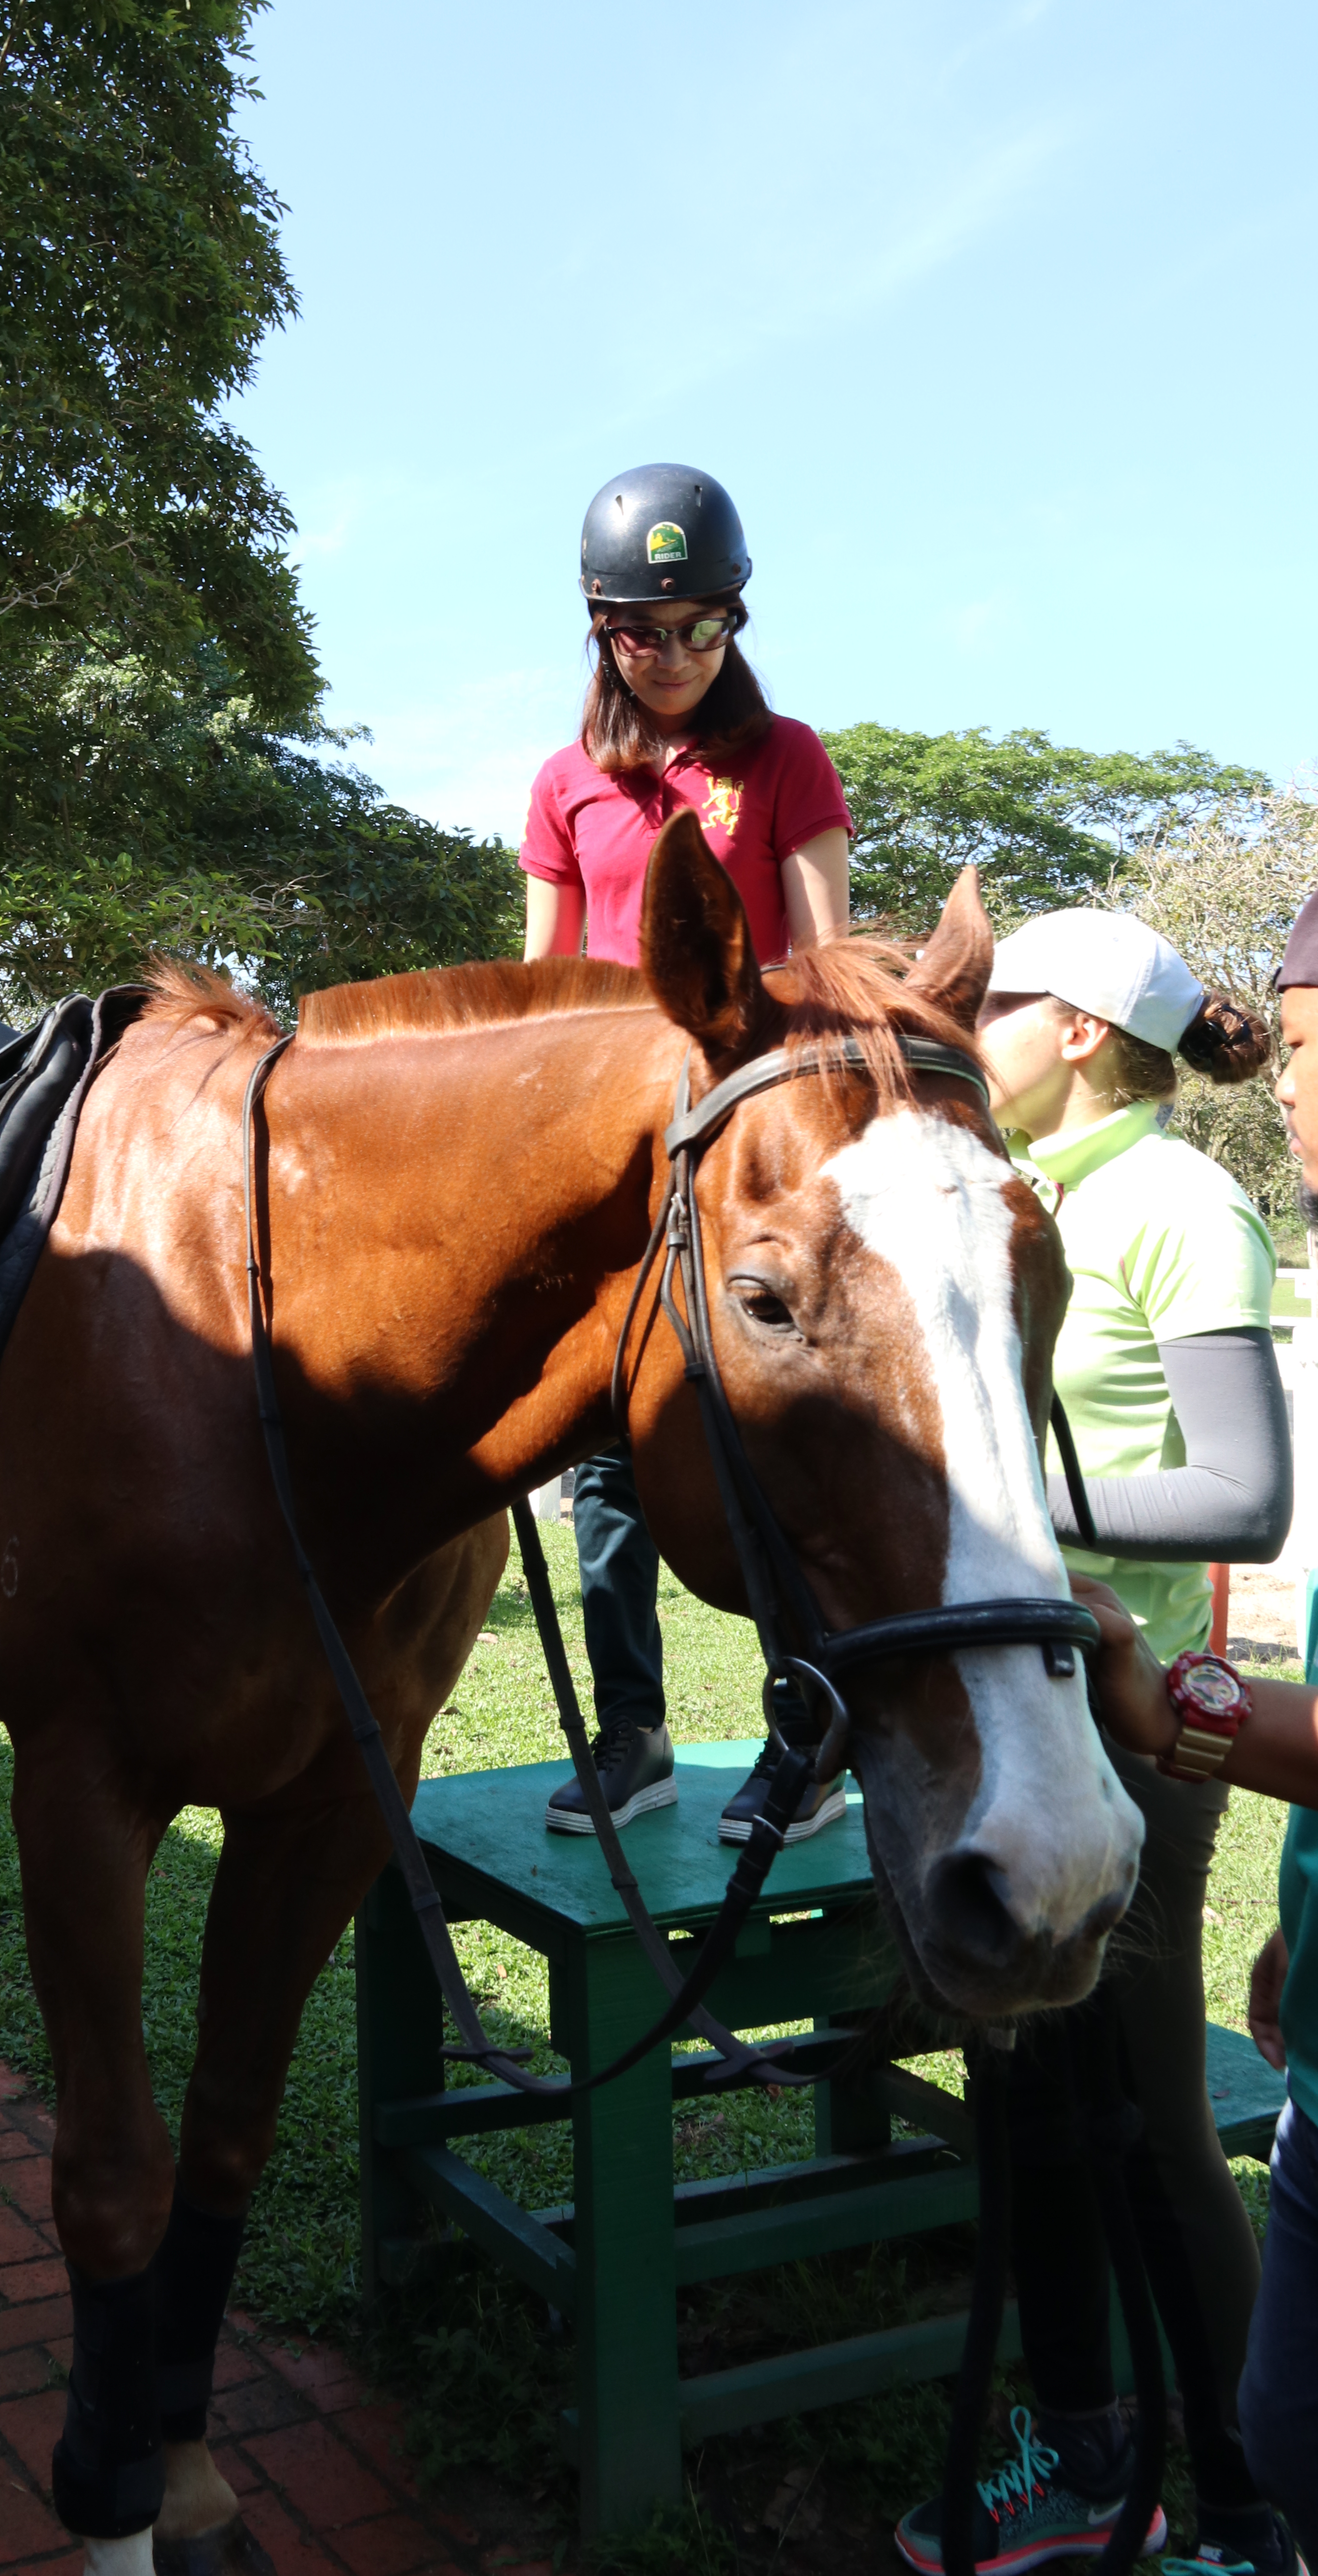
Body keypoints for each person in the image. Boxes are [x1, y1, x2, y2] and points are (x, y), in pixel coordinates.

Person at [894, 909, 1297, 2576]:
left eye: (986, 1006)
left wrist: (994, 1499)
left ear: (1070, 1028)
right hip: (1004, 1707)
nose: (961, 1025)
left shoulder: (1186, 1205)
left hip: (1130, 1726)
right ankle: (1076, 2460)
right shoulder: (1007, 1190)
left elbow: (1244, 1494)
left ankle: (1257, 2505)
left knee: (1146, 2127)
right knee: (1029, 2112)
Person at [1082, 849, 1318, 2576]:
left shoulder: (1186, 1208)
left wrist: (1181, 1704)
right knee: (1299, 2443)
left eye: (1314, 1035)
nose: (1287, 1080)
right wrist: (1311, 1926)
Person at [517, 461, 853, 1842]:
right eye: (639, 629)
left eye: (700, 626)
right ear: (600, 629)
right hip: (619, 1156)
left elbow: (827, 962)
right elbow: (537, 991)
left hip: (756, 1145)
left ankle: (812, 1739)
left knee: (772, 1445)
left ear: (738, 623)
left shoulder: (788, 761)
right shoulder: (562, 780)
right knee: (605, 1466)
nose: (669, 655)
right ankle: (631, 1736)